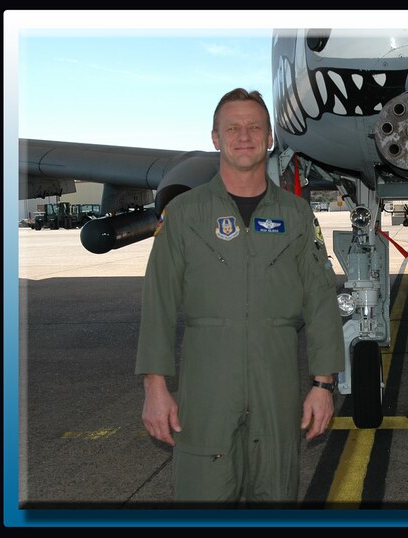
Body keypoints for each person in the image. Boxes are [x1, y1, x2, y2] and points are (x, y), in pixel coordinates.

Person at [135, 88, 345, 506]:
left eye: (254, 128)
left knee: (276, 495)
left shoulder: (296, 215)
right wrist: (154, 388)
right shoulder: (185, 214)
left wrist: (324, 384)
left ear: (270, 138)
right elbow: (157, 303)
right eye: (233, 128)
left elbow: (321, 303)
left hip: (277, 385)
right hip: (206, 389)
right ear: (215, 137)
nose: (244, 136)